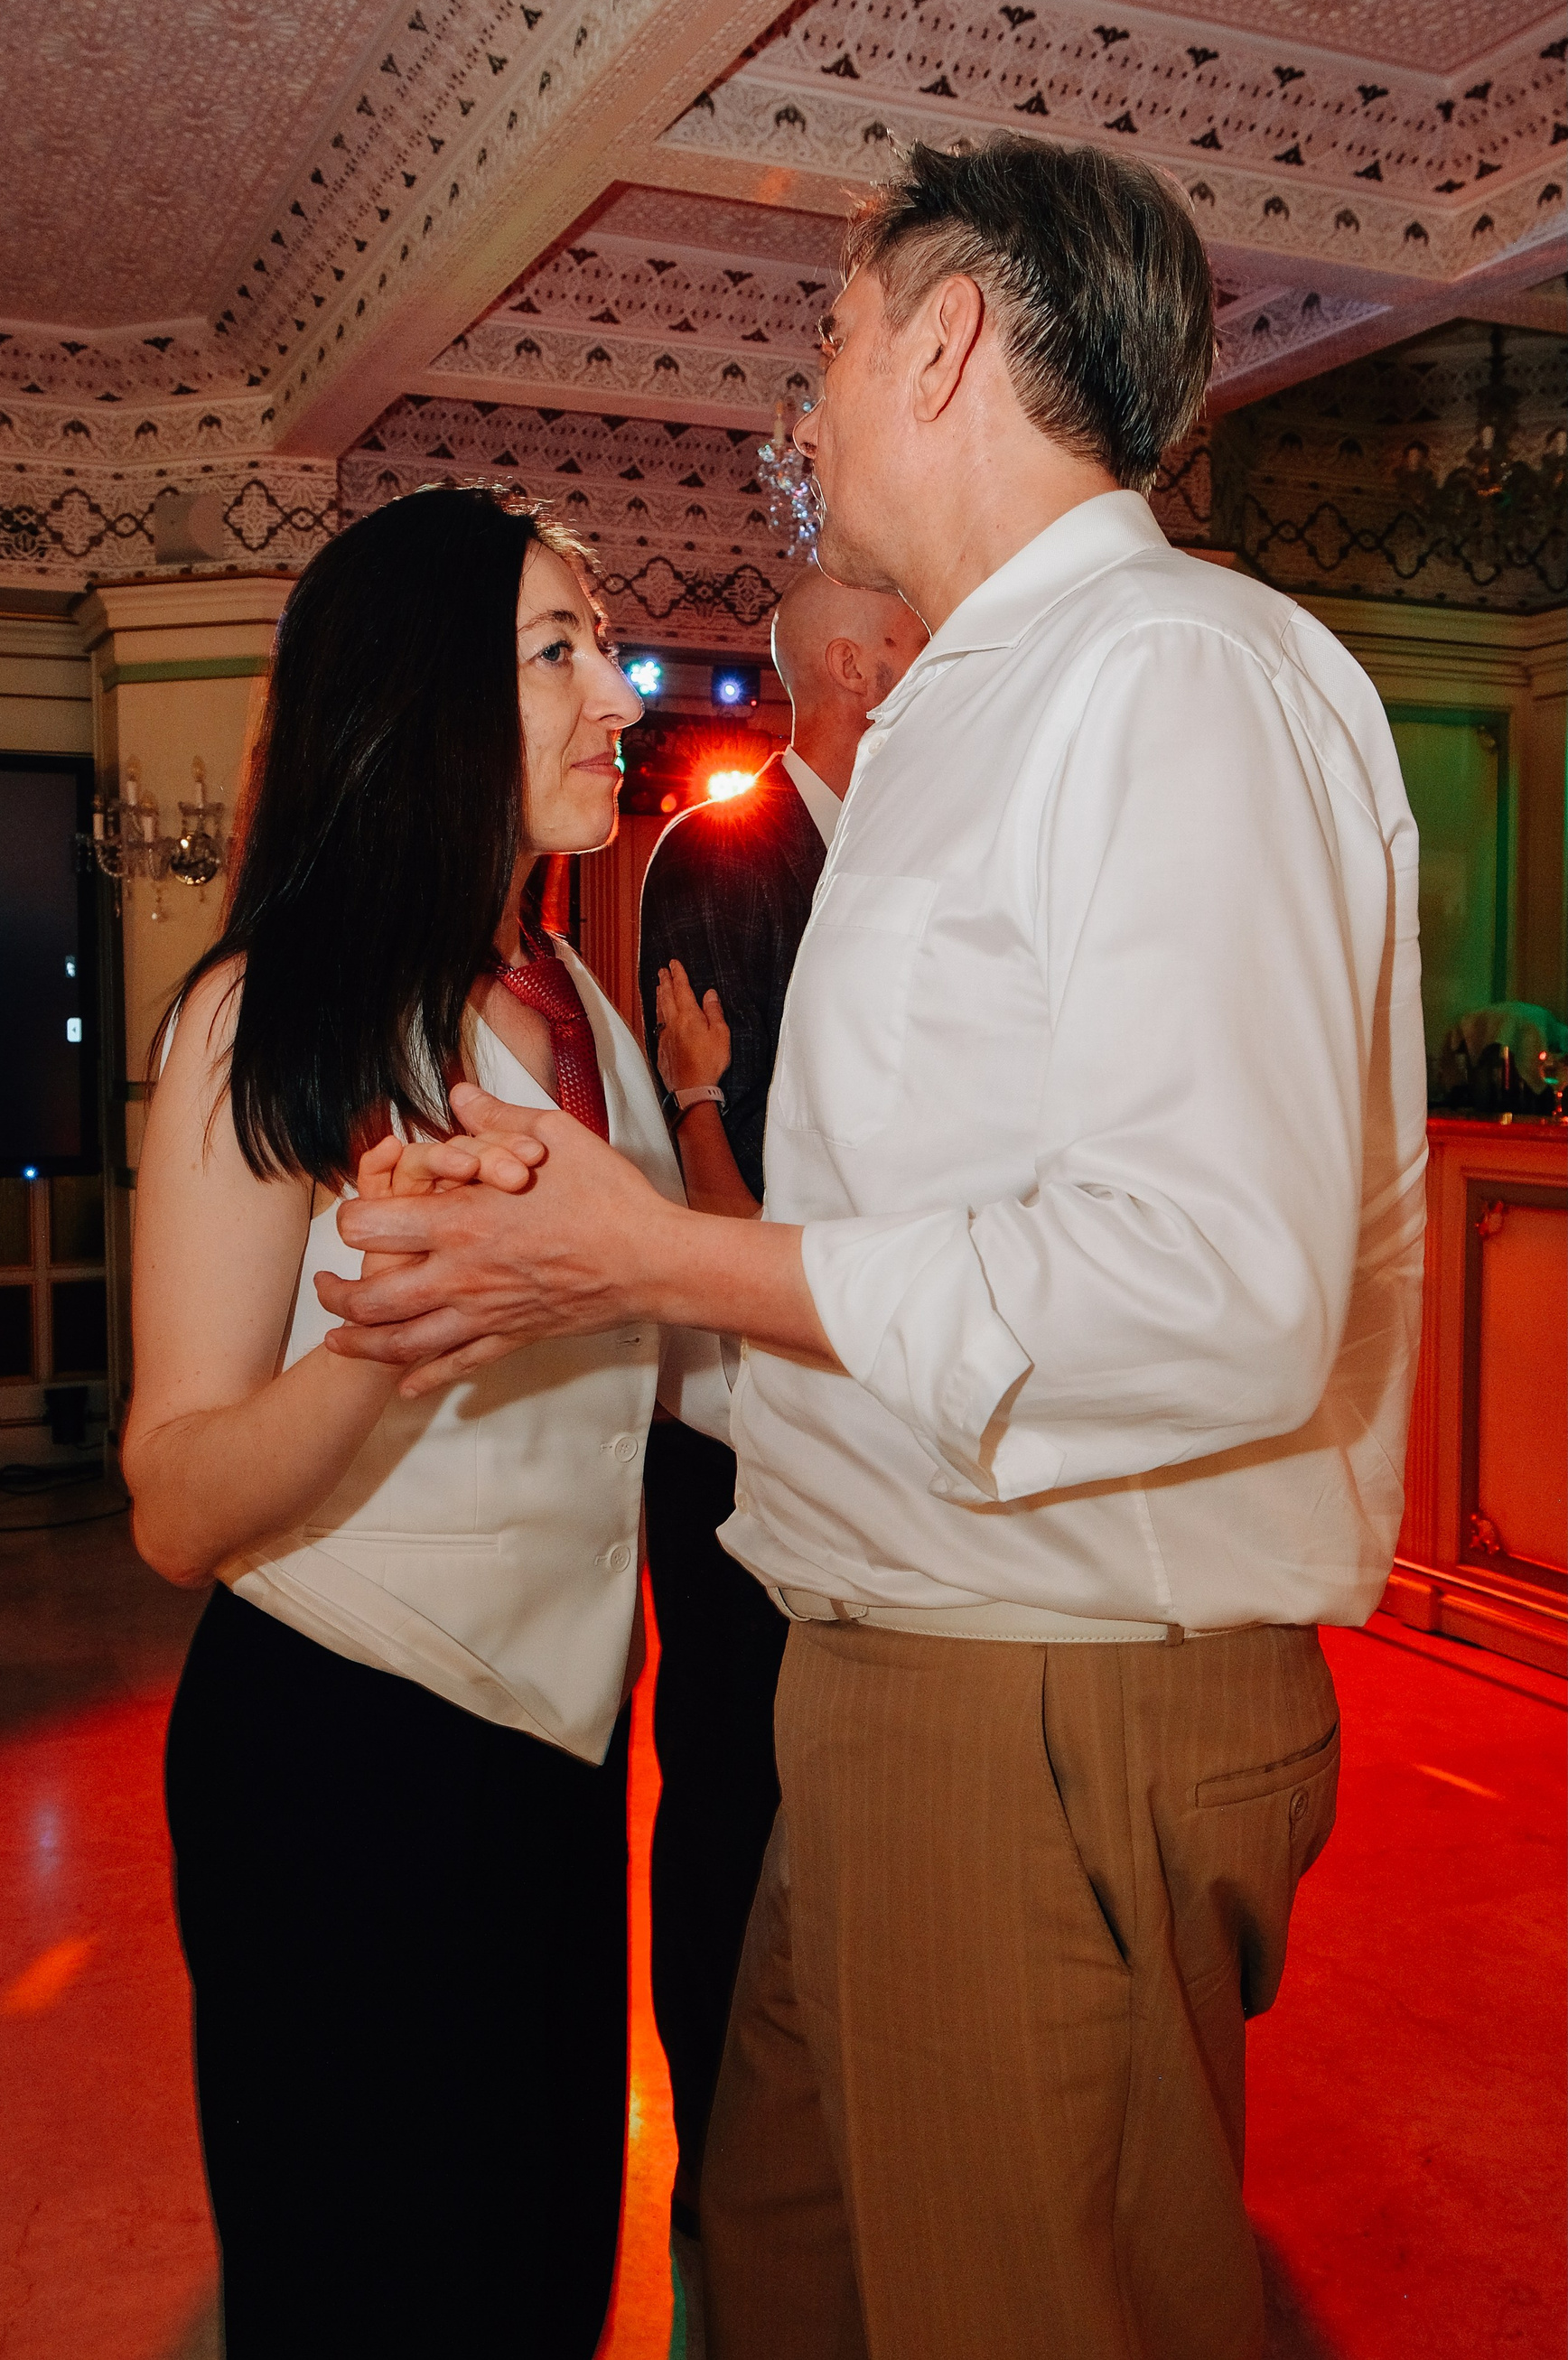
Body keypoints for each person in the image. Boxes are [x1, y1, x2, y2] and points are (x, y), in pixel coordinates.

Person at [317, 134, 1427, 2360]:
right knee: (790, 2279)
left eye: (827, 342)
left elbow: (1207, 1289)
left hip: (1039, 1695)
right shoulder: (978, 709)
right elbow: (907, 1271)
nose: (802, 407)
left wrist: (661, 1261)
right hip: (891, 1678)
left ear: (947, 345)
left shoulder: (1169, 673)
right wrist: (578, 1271)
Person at [122, 485, 729, 2359]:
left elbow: (658, 1360)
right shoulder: (265, 1018)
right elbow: (174, 1499)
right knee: (374, 2300)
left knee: (540, 2281)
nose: (618, 696)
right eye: (557, 651)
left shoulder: (583, 1012)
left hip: (559, 1757)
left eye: (601, 647)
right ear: (419, 692)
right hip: (346, 1757)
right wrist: (381, 1351)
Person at [635, 572, 928, 2295]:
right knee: (732, 1781)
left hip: (868, 1394)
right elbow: (724, 1161)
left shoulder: (919, 851)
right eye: (914, 640)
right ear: (852, 666)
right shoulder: (721, 852)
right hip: (736, 1413)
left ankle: (832, 2153)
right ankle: (720, 2169)